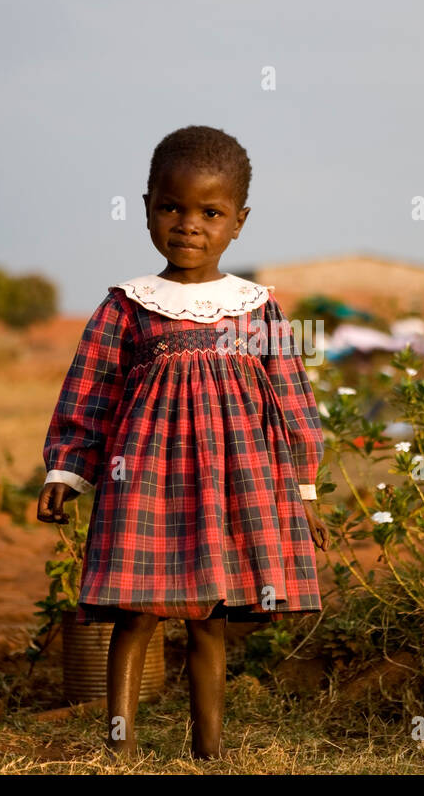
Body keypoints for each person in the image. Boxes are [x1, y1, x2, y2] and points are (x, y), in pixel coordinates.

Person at [38, 125, 329, 760]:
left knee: (209, 617)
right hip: (141, 480)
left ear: (239, 221)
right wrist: (65, 472)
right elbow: (89, 394)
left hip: (230, 484)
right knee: (135, 612)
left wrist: (303, 489)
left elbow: (293, 399)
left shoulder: (257, 309)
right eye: (171, 207)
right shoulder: (128, 306)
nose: (188, 225)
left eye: (210, 212)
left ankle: (210, 751)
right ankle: (119, 748)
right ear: (146, 206)